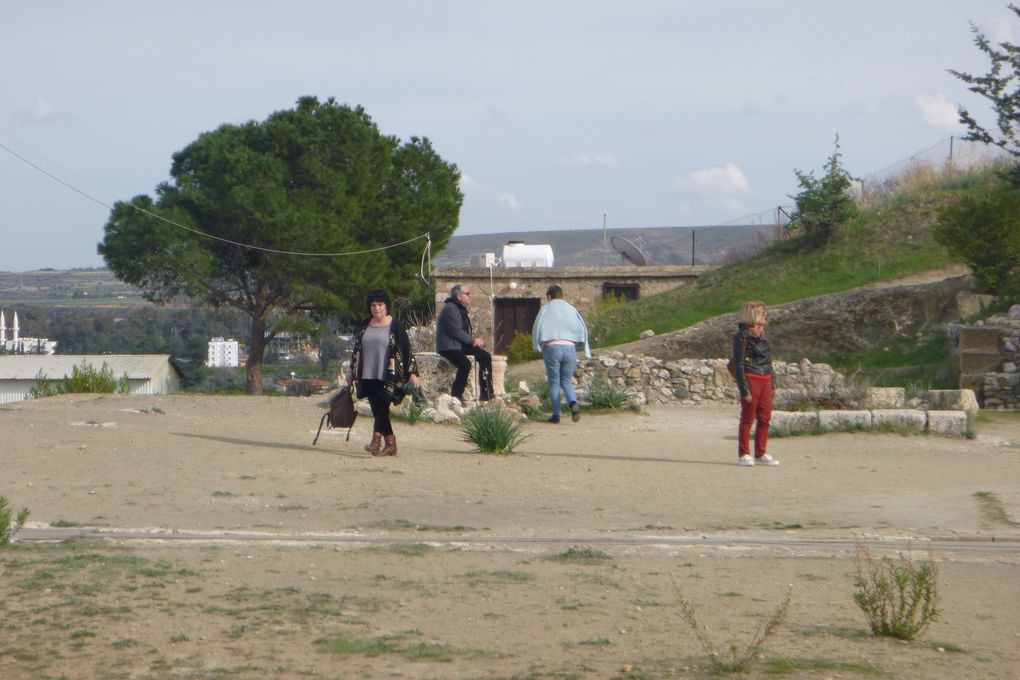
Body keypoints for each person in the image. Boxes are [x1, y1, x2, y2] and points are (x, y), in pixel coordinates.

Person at [346, 290, 420, 457]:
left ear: (386, 307)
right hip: (367, 373)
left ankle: (377, 441)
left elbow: (407, 350)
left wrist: (413, 373)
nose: (377, 308)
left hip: (388, 375)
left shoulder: (395, 325)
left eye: (380, 305)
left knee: (381, 409)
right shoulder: (365, 324)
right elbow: (357, 349)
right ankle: (388, 443)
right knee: (378, 409)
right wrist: (352, 372)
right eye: (373, 305)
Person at [531, 284, 591, 423]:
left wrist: (537, 345)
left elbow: (537, 327)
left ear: (549, 297)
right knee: (566, 381)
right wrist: (582, 345)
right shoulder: (571, 308)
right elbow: (581, 326)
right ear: (562, 295)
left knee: (554, 382)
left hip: (552, 348)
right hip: (570, 348)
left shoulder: (545, 309)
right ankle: (573, 402)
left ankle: (556, 415)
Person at [732, 300, 779, 466]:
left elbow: (768, 360)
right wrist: (744, 389)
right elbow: (738, 363)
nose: (765, 316)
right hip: (751, 376)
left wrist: (774, 381)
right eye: (762, 313)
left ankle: (761, 452)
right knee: (748, 417)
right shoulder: (741, 337)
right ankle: (744, 453)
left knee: (765, 417)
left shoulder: (762, 334)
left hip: (765, 377)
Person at [435, 283, 493, 402]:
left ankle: (486, 391)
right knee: (465, 364)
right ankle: (456, 394)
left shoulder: (459, 309)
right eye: (467, 294)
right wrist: (473, 341)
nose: (469, 296)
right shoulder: (450, 309)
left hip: (459, 346)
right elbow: (455, 332)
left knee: (485, 357)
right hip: (449, 347)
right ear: (459, 296)